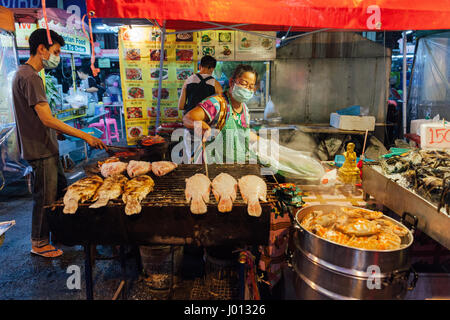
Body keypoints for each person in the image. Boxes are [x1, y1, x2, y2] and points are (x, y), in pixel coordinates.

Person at [12, 29, 107, 258]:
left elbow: (38, 118)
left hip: (46, 146)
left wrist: (58, 134)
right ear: (41, 49)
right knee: (45, 198)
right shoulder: (31, 77)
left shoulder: (24, 74)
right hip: (40, 150)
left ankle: (63, 235)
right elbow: (46, 118)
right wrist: (85, 136)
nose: (58, 56)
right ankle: (39, 242)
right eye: (55, 51)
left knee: (59, 194)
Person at [183, 64, 259, 164]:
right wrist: (201, 126)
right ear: (232, 82)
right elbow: (188, 118)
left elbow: (243, 133)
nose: (247, 89)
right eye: (244, 84)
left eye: (251, 86)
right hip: (209, 164)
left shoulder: (244, 109)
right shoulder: (217, 103)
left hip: (232, 164)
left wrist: (262, 141)